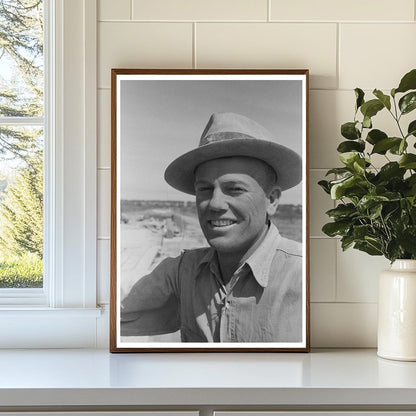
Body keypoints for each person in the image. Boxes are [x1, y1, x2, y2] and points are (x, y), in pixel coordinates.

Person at [121, 112, 303, 342]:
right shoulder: (183, 274)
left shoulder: (303, 278)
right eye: (205, 189)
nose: (215, 204)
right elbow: (113, 315)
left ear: (272, 200)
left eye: (235, 189)